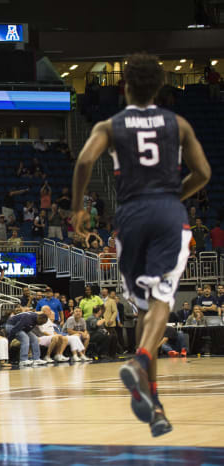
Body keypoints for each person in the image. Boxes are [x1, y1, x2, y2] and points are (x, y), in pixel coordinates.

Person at [71, 53, 211, 437]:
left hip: (129, 218)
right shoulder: (177, 123)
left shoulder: (111, 124)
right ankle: (141, 361)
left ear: (126, 88)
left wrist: (77, 208)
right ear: (160, 88)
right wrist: (173, 198)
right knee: (163, 300)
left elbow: (84, 161)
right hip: (167, 212)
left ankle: (154, 404)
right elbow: (204, 173)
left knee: (145, 309)